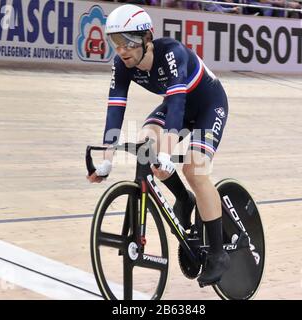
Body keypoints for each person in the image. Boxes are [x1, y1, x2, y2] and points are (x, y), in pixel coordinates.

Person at [87, 4, 230, 287]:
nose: (122, 49)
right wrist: (106, 158)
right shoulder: (122, 65)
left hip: (208, 105)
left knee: (194, 169)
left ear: (147, 38)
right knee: (144, 145)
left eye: (127, 41)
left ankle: (218, 253)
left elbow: (177, 104)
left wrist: (166, 152)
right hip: (180, 107)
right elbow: (115, 109)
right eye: (115, 42)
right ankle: (184, 198)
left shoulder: (172, 53)